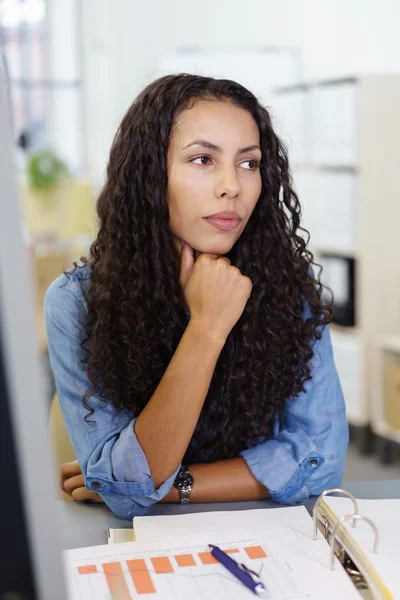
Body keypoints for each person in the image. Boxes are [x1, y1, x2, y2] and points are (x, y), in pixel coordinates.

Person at [45, 74, 348, 520]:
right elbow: (128, 491)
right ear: (150, 174)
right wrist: (206, 327)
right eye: (203, 159)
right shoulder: (77, 302)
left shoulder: (289, 287)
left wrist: (166, 487)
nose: (233, 186)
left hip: (263, 538)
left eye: (248, 163)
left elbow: (321, 460)